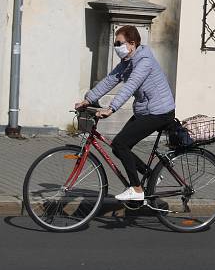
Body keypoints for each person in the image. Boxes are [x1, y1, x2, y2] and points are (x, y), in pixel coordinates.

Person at [75, 25, 175, 202]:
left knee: (121, 144)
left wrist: (111, 108)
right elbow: (110, 80)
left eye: (119, 43)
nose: (116, 46)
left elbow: (130, 86)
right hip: (146, 110)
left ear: (132, 43)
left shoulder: (144, 61)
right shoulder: (127, 62)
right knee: (118, 147)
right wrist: (88, 99)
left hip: (159, 112)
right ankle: (151, 176)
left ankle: (136, 189)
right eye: (115, 43)